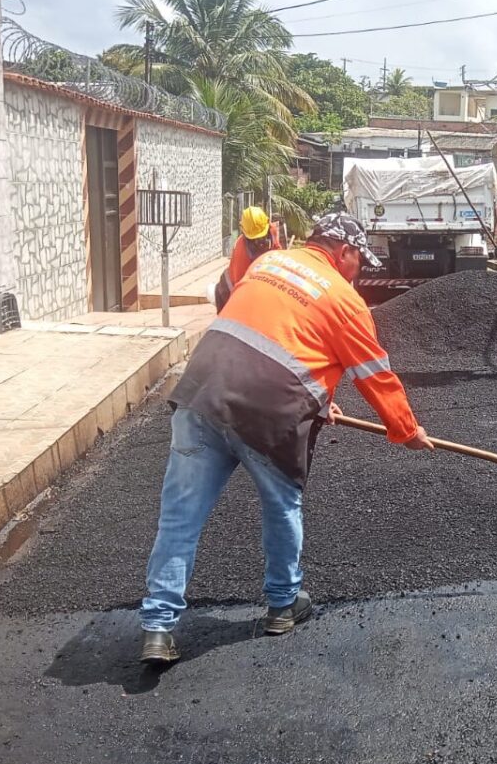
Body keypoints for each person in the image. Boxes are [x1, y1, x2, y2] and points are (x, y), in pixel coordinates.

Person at [140, 213, 435, 664]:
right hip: (268, 414)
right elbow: (374, 374)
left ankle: (157, 628)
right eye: (360, 260)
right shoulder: (344, 299)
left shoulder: (269, 263)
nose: (360, 271)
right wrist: (407, 431)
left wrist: (317, 401)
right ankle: (282, 604)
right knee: (281, 506)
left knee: (180, 518)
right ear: (345, 252)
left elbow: (274, 332)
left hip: (200, 392)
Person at [212, 207, 285, 311]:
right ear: (244, 231)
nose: (259, 240)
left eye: (262, 235)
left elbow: (278, 253)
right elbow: (240, 287)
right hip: (231, 292)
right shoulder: (241, 251)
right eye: (254, 238)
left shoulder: (272, 230)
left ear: (267, 222)